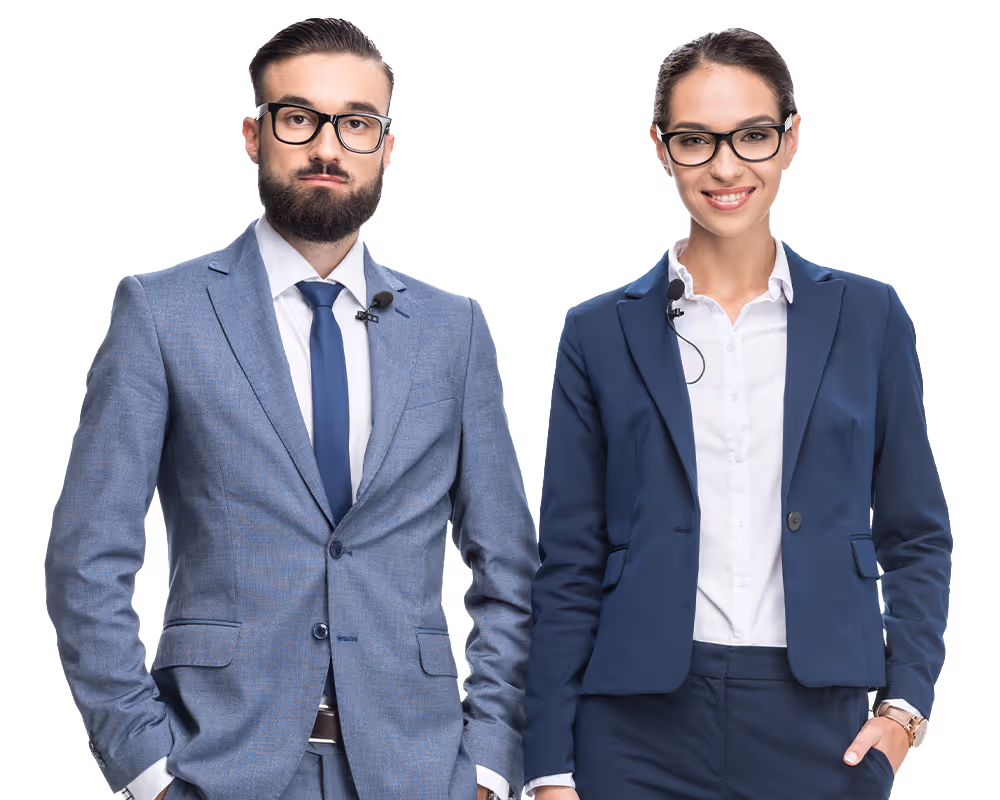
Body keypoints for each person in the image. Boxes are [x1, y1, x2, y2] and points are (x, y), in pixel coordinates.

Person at [44, 17, 537, 800]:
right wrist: (146, 768)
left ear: (386, 145)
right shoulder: (161, 313)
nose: (327, 147)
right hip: (220, 768)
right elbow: (86, 561)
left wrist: (484, 762)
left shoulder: (455, 330)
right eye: (299, 117)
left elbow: (510, 562)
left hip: (418, 772)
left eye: (356, 123)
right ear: (255, 133)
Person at [522, 27, 951, 800]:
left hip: (819, 728)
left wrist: (904, 707)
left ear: (792, 139)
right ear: (661, 148)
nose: (725, 166)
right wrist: (548, 766)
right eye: (695, 140)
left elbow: (917, 533)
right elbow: (569, 562)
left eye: (752, 135)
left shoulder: (869, 317)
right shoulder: (597, 333)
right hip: (634, 730)